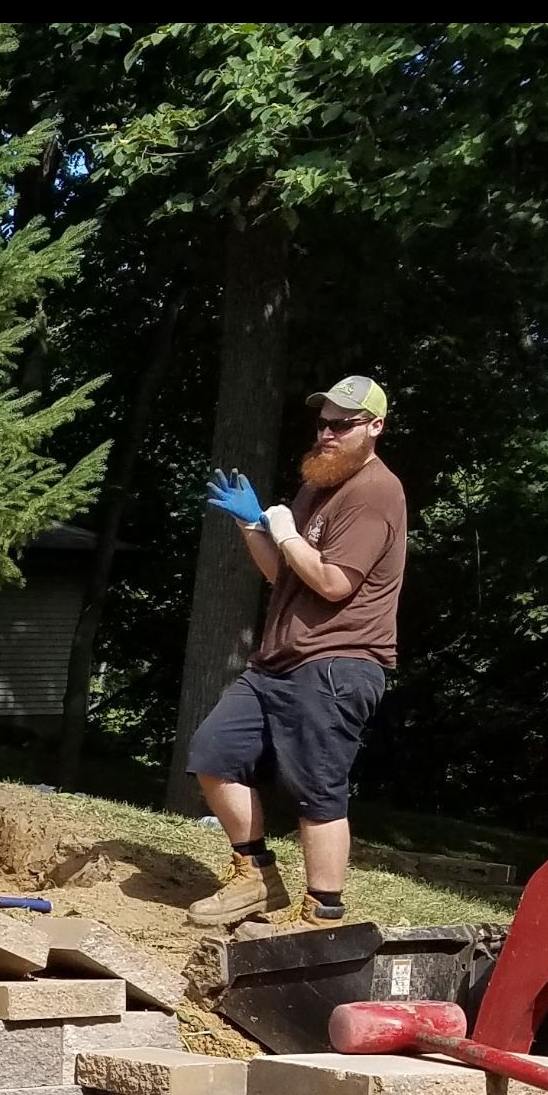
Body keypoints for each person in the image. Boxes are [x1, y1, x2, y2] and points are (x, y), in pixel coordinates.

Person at [187, 375, 406, 930]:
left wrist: (283, 531)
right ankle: (256, 875)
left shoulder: (375, 493)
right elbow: (280, 573)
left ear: (375, 427)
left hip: (338, 661)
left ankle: (323, 915)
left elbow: (334, 584)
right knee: (213, 753)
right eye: (323, 422)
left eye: (344, 424)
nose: (329, 433)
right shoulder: (318, 484)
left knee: (317, 790)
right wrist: (251, 525)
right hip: (279, 662)